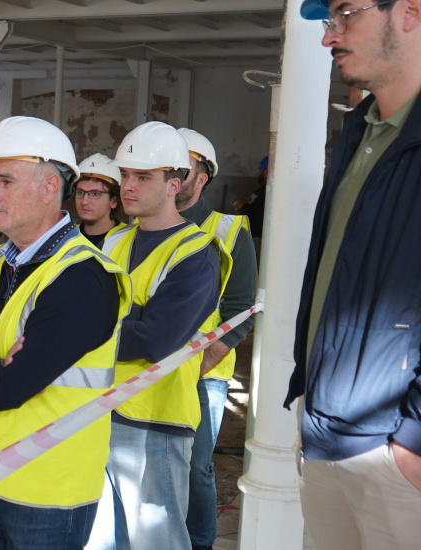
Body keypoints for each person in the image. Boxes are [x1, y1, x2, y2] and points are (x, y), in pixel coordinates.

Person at [0, 117, 128, 549]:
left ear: (48, 187)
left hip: (47, 493)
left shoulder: (83, 278)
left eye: (4, 181)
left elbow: (3, 391)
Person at [288, 1, 421, 548]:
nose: (329, 38)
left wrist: (412, 439)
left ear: (410, 12)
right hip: (326, 432)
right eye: (328, 22)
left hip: (394, 456)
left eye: (346, 15)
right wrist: (307, 397)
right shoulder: (359, 132)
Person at [87, 121, 227, 550]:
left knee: (156, 541)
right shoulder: (113, 242)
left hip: (156, 421)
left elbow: (153, 341)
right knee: (102, 540)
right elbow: (87, 316)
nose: (128, 186)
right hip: (98, 410)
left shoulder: (195, 252)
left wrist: (92, 330)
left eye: (143, 177)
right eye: (126, 175)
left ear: (175, 183)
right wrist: (124, 320)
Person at [174, 128, 258, 550]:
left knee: (195, 467)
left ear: (202, 176)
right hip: (147, 370)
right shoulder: (135, 228)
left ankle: (200, 542)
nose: (170, 174)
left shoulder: (228, 230)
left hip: (205, 374)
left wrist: (199, 363)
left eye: (181, 166)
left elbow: (241, 312)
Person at [74, 153, 127, 248]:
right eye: (80, 192)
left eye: (95, 194)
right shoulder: (67, 236)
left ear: (114, 201)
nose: (84, 201)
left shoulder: (129, 238)